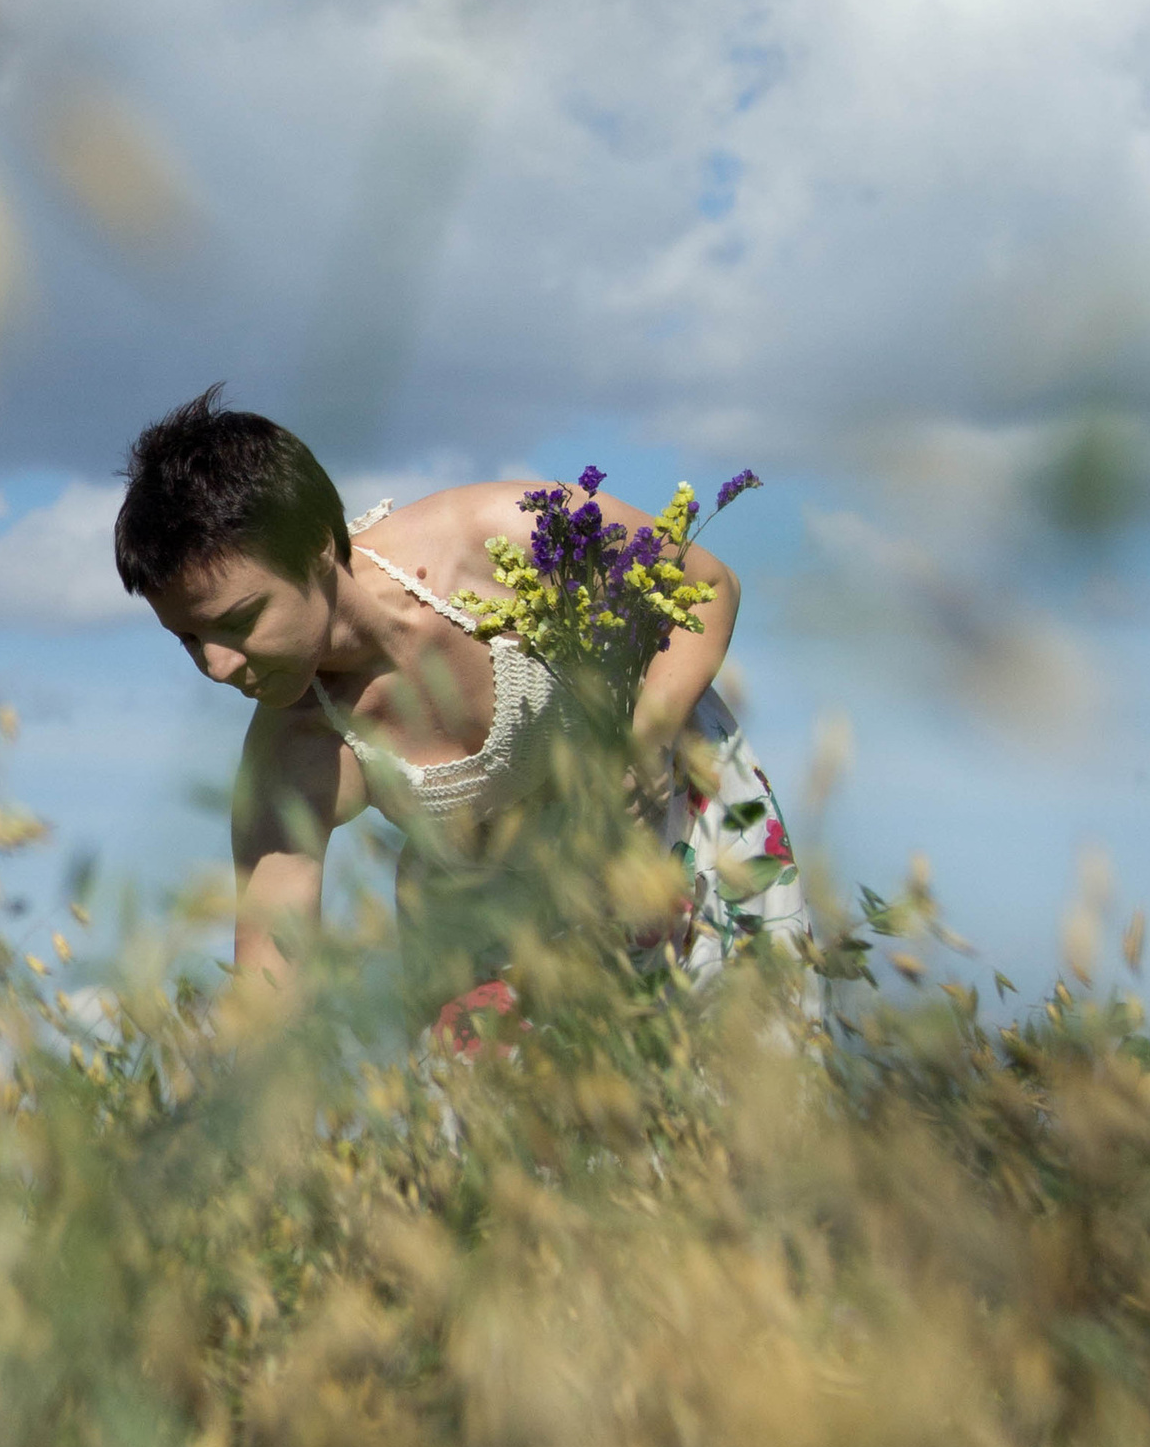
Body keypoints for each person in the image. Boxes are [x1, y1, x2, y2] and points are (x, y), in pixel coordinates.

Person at [111, 387, 810, 1017]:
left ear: (317, 546)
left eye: (238, 620)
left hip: (681, 835)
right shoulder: (294, 753)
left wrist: (642, 737)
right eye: (189, 640)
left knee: (761, 1128)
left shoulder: (495, 535)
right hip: (508, 944)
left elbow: (707, 583)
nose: (217, 664)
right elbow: (270, 977)